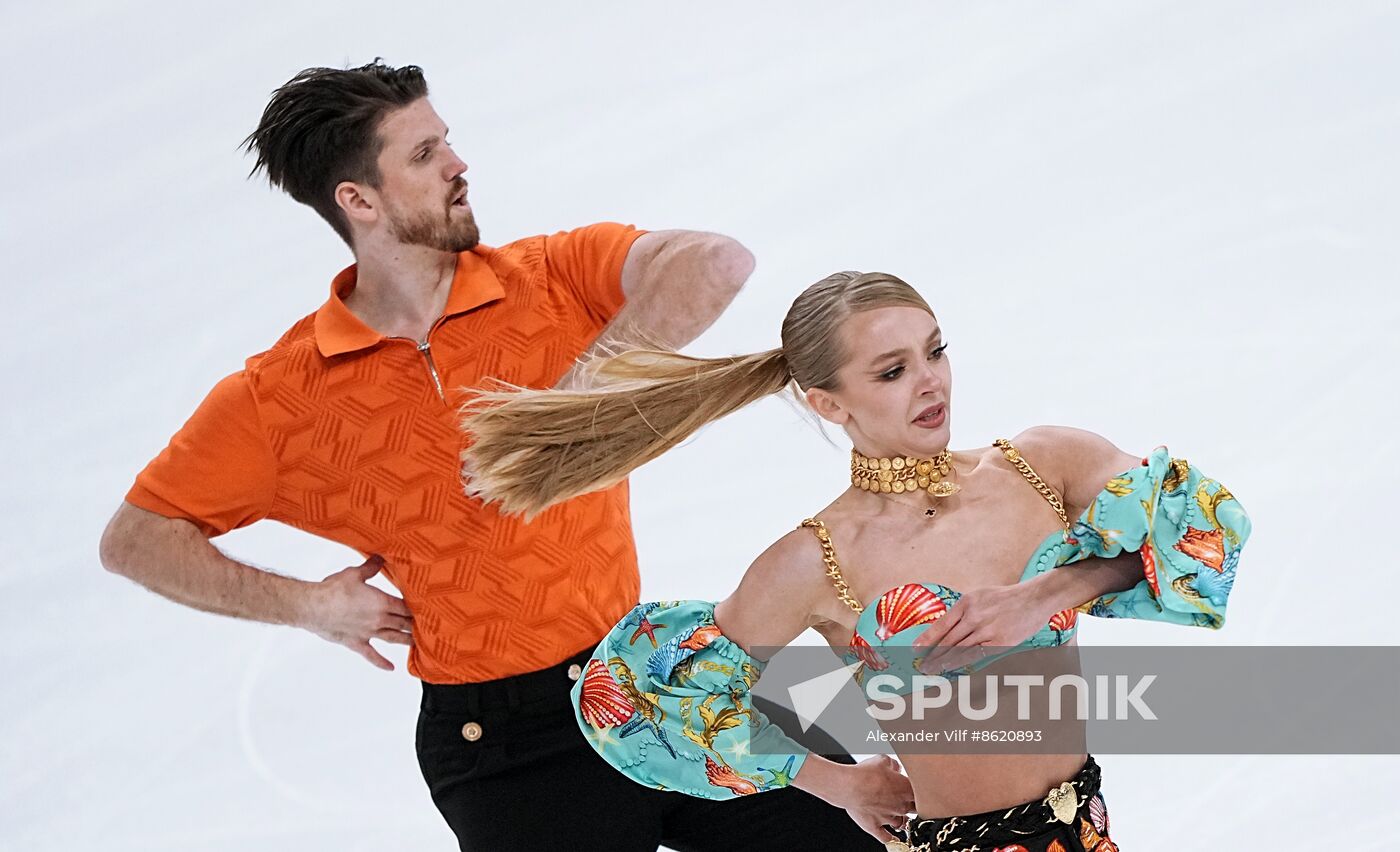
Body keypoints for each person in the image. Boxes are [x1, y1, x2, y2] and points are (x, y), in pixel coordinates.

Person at [96, 60, 899, 851]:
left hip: (661, 671)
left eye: (446, 140)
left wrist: (566, 407)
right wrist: (308, 605)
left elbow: (715, 264)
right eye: (424, 154)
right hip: (506, 744)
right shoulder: (284, 396)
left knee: (882, 827)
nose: (458, 163)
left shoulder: (547, 279)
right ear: (357, 201)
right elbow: (135, 539)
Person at [460, 270, 1252, 849]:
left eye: (934, 351)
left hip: (1090, 828)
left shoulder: (1043, 465)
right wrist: (836, 784)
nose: (931, 382)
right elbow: (635, 694)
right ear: (828, 403)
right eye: (893, 371)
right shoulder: (817, 559)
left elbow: (1200, 524)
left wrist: (1049, 589)